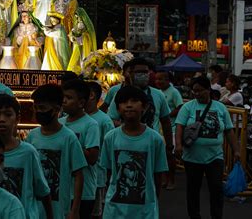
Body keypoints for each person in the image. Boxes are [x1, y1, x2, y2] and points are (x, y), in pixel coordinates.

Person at [175, 76, 240, 219]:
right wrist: (178, 145)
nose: (196, 94)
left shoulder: (220, 107)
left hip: (215, 156)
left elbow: (229, 130)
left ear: (208, 90)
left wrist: (236, 150)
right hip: (192, 157)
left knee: (216, 189)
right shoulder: (188, 107)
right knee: (193, 190)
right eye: (194, 91)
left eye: (200, 91)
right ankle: (194, 216)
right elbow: (179, 126)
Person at [101, 86, 169, 219]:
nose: (129, 105)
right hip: (115, 209)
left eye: (134, 101)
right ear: (118, 108)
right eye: (124, 102)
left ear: (145, 106)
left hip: (145, 210)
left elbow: (157, 175)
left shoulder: (155, 139)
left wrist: (153, 201)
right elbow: (110, 173)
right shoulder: (111, 137)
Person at [0, 94, 53, 219]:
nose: (2, 119)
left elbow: (43, 191)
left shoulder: (28, 152)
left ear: (17, 119)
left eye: (8, 114)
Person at [26, 84, 86, 219]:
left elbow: (78, 175)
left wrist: (75, 210)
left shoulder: (68, 138)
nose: (38, 112)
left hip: (59, 209)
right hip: (34, 209)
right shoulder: (32, 136)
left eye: (42, 108)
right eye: (35, 108)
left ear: (56, 109)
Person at [107, 58, 173, 147]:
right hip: (125, 144)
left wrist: (169, 147)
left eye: (145, 72)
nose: (143, 75)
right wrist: (130, 126)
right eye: (139, 72)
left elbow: (166, 122)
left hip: (152, 145)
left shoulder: (158, 94)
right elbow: (111, 119)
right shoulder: (121, 94)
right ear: (130, 74)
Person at [59, 79, 100, 218]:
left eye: (69, 98)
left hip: (84, 193)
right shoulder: (59, 123)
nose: (64, 101)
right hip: (62, 190)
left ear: (81, 103)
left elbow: (92, 158)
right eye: (62, 97)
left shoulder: (90, 125)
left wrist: (71, 142)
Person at [85, 81, 114, 218]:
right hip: (78, 175)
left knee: (95, 212)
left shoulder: (104, 120)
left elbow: (110, 149)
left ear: (91, 95)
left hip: (98, 174)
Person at [155, 71, 183, 190]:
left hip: (171, 128)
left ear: (167, 80)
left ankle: (171, 180)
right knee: (161, 156)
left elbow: (180, 107)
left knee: (169, 155)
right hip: (159, 129)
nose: (158, 82)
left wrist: (167, 115)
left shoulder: (174, 92)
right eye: (157, 79)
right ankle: (164, 179)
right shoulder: (158, 92)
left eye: (161, 79)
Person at [67, 7, 97, 73]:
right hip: (77, 46)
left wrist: (81, 36)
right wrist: (72, 36)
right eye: (76, 16)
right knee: (76, 61)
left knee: (83, 60)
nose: (77, 17)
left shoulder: (86, 25)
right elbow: (72, 33)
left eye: (78, 16)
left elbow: (88, 35)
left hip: (84, 45)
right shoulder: (76, 24)